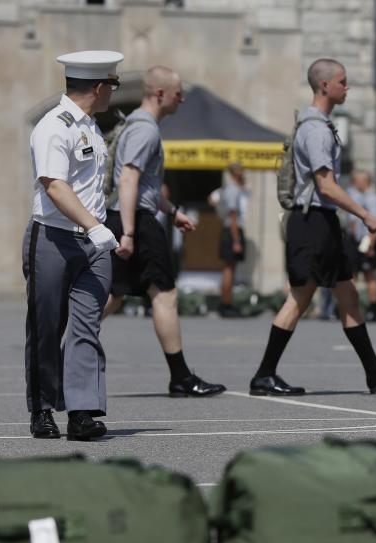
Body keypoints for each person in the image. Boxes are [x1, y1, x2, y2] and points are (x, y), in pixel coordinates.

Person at [249, 59, 376, 395]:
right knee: (299, 298)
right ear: (324, 86)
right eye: (342, 81)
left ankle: (374, 371)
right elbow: (326, 186)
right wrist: (364, 214)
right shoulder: (314, 129)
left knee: (348, 294)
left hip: (323, 221)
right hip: (312, 220)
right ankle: (264, 374)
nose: (347, 86)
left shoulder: (320, 125)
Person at [103, 66, 226, 399]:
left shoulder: (134, 125)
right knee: (165, 295)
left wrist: (172, 212)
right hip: (136, 221)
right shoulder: (145, 130)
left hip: (130, 217)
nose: (182, 99)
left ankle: (62, 351)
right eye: (177, 93)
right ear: (160, 94)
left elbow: (142, 184)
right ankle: (181, 377)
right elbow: (128, 179)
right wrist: (129, 232)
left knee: (113, 294)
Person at [24, 50, 123, 440]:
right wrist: (94, 226)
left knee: (86, 327)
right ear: (99, 88)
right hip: (53, 237)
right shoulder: (55, 126)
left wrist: (102, 230)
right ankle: (42, 409)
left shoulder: (92, 127)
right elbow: (55, 184)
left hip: (93, 244)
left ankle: (81, 412)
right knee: (47, 326)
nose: (112, 93)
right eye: (110, 87)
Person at [344, 169, 376, 322]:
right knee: (353, 274)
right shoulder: (358, 197)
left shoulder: (372, 199)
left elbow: (374, 226)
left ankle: (374, 308)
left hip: (366, 241)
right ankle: (352, 305)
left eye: (357, 180)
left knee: (369, 275)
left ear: (365, 181)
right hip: (358, 241)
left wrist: (370, 246)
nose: (354, 183)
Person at [218, 161, 249, 318]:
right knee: (229, 269)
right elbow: (233, 215)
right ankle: (226, 304)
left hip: (234, 230)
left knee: (232, 268)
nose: (242, 172)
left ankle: (228, 302)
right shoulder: (232, 190)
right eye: (239, 170)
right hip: (232, 231)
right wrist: (236, 240)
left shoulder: (237, 189)